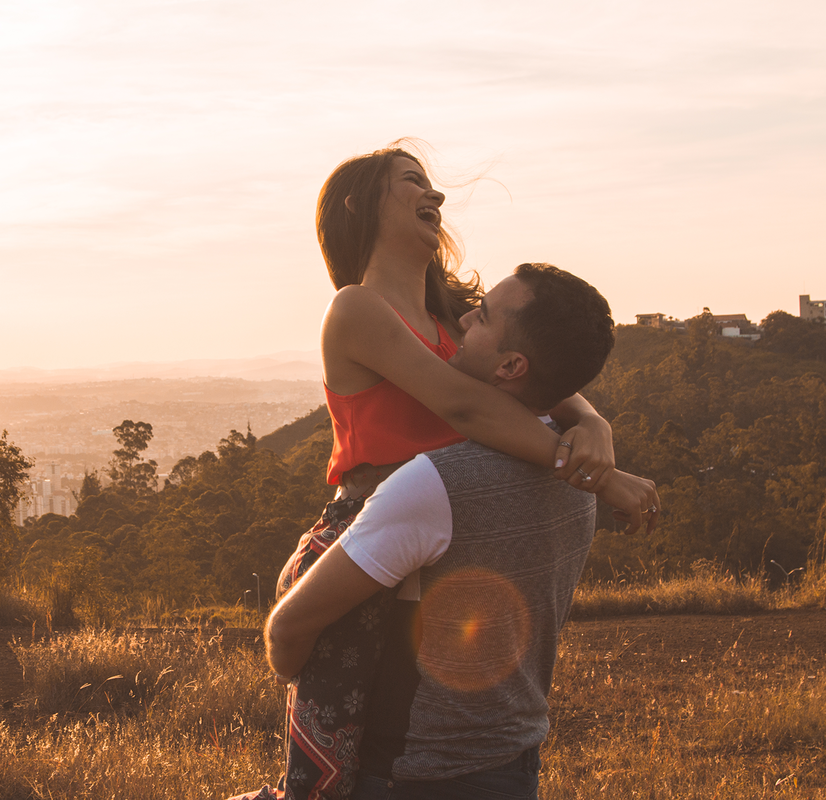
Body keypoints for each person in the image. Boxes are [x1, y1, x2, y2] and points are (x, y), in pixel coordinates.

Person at [230, 144, 657, 800]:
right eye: (413, 181)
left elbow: (550, 385)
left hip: (442, 525)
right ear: (359, 204)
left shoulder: (453, 312)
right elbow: (465, 405)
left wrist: (596, 427)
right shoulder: (356, 308)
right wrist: (601, 476)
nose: (437, 195)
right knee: (328, 772)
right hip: (370, 529)